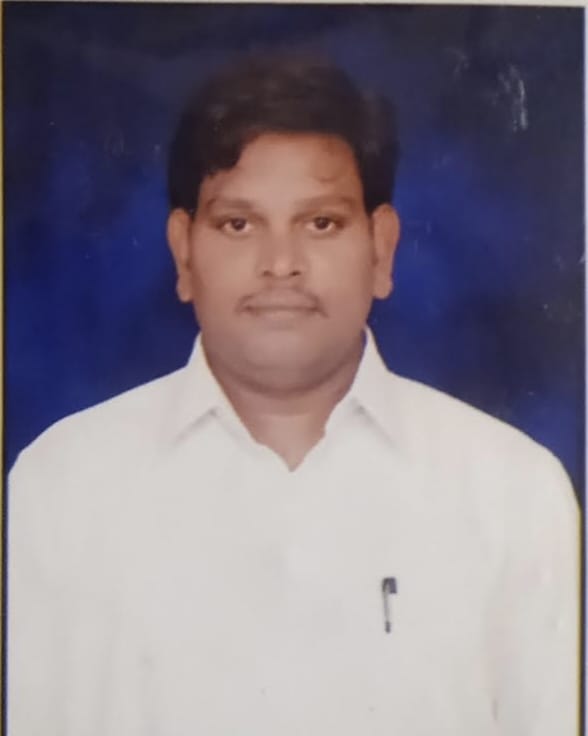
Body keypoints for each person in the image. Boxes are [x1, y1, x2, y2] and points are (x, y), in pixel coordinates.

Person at [7, 53, 579, 736]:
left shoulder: (513, 494)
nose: (281, 264)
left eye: (321, 223)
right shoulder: (59, 487)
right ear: (184, 252)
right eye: (239, 225)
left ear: (382, 249)